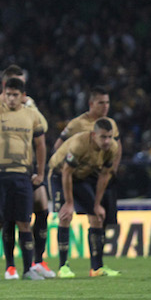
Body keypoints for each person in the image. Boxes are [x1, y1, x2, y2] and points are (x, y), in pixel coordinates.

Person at [0, 65, 55, 281]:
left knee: (26, 220)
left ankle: (29, 268)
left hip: (24, 175)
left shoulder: (31, 113)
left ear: (22, 94)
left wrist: (40, 172)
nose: (10, 98)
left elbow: (41, 143)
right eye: (8, 94)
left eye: (15, 95)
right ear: (3, 89)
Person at [49, 118, 120, 278]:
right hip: (59, 175)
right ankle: (63, 267)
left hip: (82, 177)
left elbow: (104, 176)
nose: (107, 141)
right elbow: (66, 172)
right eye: (103, 137)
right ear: (94, 135)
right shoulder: (80, 144)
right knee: (65, 216)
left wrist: (97, 204)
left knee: (97, 217)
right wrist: (68, 203)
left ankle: (96, 268)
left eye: (110, 136)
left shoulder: (112, 148)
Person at [53, 86, 122, 231]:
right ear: (91, 104)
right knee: (89, 213)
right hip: (83, 176)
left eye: (107, 102)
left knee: (105, 218)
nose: (105, 107)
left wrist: (113, 169)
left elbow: (117, 147)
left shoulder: (110, 124)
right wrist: (73, 165)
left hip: (101, 175)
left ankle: (100, 248)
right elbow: (58, 146)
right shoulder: (77, 124)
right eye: (101, 103)